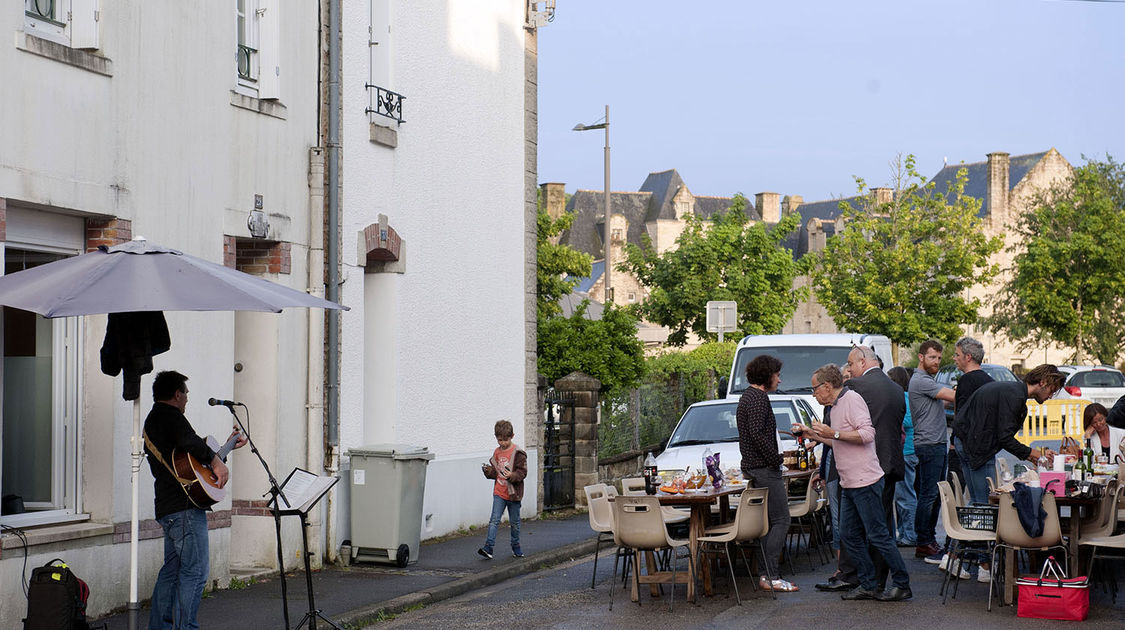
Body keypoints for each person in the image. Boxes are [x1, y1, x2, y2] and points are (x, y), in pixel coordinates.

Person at [800, 364, 912, 602]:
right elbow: (839, 442)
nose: (813, 394)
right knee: (849, 535)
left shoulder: (852, 400)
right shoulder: (836, 406)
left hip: (865, 480)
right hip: (849, 482)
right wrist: (814, 435)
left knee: (878, 535)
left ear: (827, 386)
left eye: (814, 389)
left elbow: (867, 434)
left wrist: (833, 434)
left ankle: (902, 584)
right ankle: (869, 583)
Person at [144, 371, 246, 630]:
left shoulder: (153, 421)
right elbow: (191, 443)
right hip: (185, 510)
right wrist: (215, 460)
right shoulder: (172, 417)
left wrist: (224, 449)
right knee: (195, 573)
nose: (188, 398)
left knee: (172, 572)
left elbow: (191, 466)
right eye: (186, 393)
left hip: (169, 509)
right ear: (177, 394)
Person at [831, 345, 906, 591]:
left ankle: (864, 579)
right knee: (881, 528)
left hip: (865, 468)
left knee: (867, 531)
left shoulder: (855, 389)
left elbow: (854, 429)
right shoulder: (896, 389)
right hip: (891, 463)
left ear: (862, 362)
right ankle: (878, 580)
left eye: (851, 365)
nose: (849, 370)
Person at [952, 364, 1064, 505]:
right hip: (976, 447)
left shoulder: (1013, 390)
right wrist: (1032, 453)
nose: (1051, 396)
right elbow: (1004, 437)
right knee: (986, 502)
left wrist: (1031, 454)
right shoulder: (1015, 396)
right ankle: (975, 527)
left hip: (965, 441)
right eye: (1052, 390)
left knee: (977, 500)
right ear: (1043, 383)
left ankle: (970, 526)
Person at [736, 354, 798, 592]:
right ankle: (770, 576)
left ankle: (766, 574)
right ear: (767, 376)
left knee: (769, 523)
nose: (779, 380)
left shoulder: (748, 397)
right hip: (764, 468)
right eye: (777, 375)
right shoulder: (758, 399)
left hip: (755, 467)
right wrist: (776, 459)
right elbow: (757, 433)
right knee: (782, 520)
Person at [908, 339, 955, 564]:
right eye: (932, 357)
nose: (936, 361)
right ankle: (924, 541)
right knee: (928, 495)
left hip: (935, 444)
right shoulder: (921, 380)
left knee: (933, 495)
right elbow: (953, 397)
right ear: (921, 357)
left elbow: (939, 404)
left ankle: (928, 541)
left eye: (938, 358)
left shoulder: (927, 381)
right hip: (929, 445)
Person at [478, 419, 528, 559]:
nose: (502, 443)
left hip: (513, 494)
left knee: (515, 522)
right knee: (494, 520)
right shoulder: (497, 452)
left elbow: (522, 472)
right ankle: (488, 547)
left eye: (505, 440)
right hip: (499, 492)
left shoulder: (518, 453)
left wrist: (512, 475)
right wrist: (489, 471)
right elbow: (495, 472)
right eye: (499, 440)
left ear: (512, 436)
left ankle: (516, 546)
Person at [888, 366, 916, 547]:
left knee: (905, 496)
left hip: (906, 451)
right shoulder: (905, 397)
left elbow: (907, 421)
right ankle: (905, 533)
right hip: (904, 452)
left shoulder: (903, 398)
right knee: (902, 496)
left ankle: (910, 534)